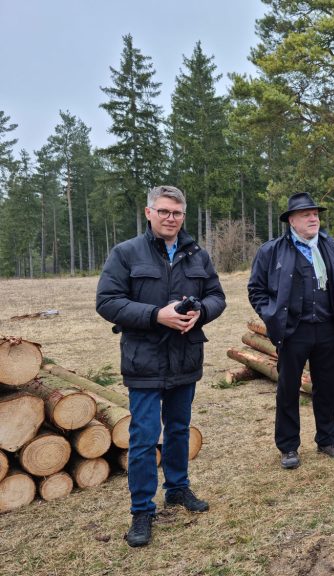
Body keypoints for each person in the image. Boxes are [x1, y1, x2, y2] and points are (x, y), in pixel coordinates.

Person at [96, 185, 226, 547]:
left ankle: (178, 488)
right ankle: (141, 510)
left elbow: (218, 296)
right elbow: (107, 302)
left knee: (180, 428)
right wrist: (157, 316)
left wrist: (201, 313)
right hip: (145, 359)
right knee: (143, 438)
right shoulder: (125, 253)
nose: (171, 218)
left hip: (185, 356)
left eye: (178, 213)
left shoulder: (197, 254)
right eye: (164, 211)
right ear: (149, 212)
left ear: (184, 216)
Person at [248, 192, 334, 470]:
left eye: (315, 214)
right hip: (293, 331)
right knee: (288, 388)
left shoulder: (330, 246)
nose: (313, 218)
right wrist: (271, 316)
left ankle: (328, 440)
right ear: (292, 221)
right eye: (306, 214)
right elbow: (256, 290)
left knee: (326, 387)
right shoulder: (271, 251)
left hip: (329, 329)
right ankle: (288, 447)